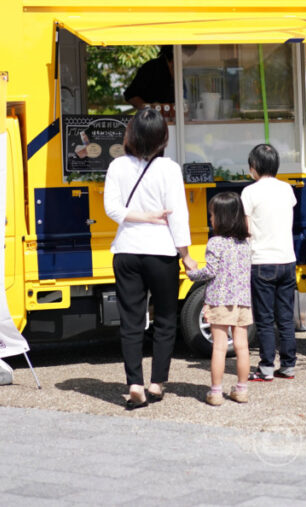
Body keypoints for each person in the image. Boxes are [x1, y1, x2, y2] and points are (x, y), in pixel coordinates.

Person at [103, 107, 196, 410]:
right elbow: (178, 216)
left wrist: (140, 217)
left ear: (130, 134)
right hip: (161, 253)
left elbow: (112, 209)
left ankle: (134, 384)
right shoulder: (169, 169)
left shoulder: (117, 166)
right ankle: (156, 382)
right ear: (162, 137)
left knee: (131, 321)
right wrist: (186, 255)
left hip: (127, 250)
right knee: (166, 319)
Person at [186, 192, 253, 405]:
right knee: (242, 346)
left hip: (221, 301)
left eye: (212, 215)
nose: (210, 219)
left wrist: (192, 272)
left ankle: (215, 392)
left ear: (222, 218)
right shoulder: (245, 244)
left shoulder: (215, 243)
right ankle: (241, 390)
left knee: (219, 347)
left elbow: (210, 272)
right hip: (242, 301)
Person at [242, 144, 298, 382]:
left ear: (253, 167)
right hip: (287, 259)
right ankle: (288, 366)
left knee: (264, 318)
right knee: (285, 317)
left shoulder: (249, 192)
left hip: (262, 261)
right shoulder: (286, 189)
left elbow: (246, 228)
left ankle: (266, 368)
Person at [124, 45, 175, 111]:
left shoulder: (185, 69)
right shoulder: (151, 68)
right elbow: (130, 95)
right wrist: (149, 110)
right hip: (153, 119)